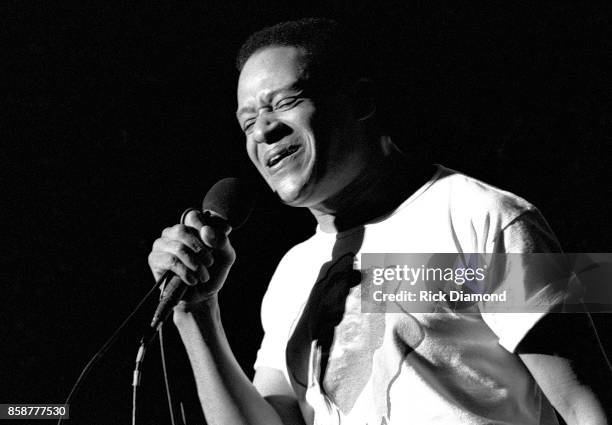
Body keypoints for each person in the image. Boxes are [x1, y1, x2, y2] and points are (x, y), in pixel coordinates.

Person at [147, 18, 611, 425]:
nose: (264, 130)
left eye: (285, 102)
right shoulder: (293, 270)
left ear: (362, 100)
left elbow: (587, 404)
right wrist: (196, 314)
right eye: (248, 122)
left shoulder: (495, 216)